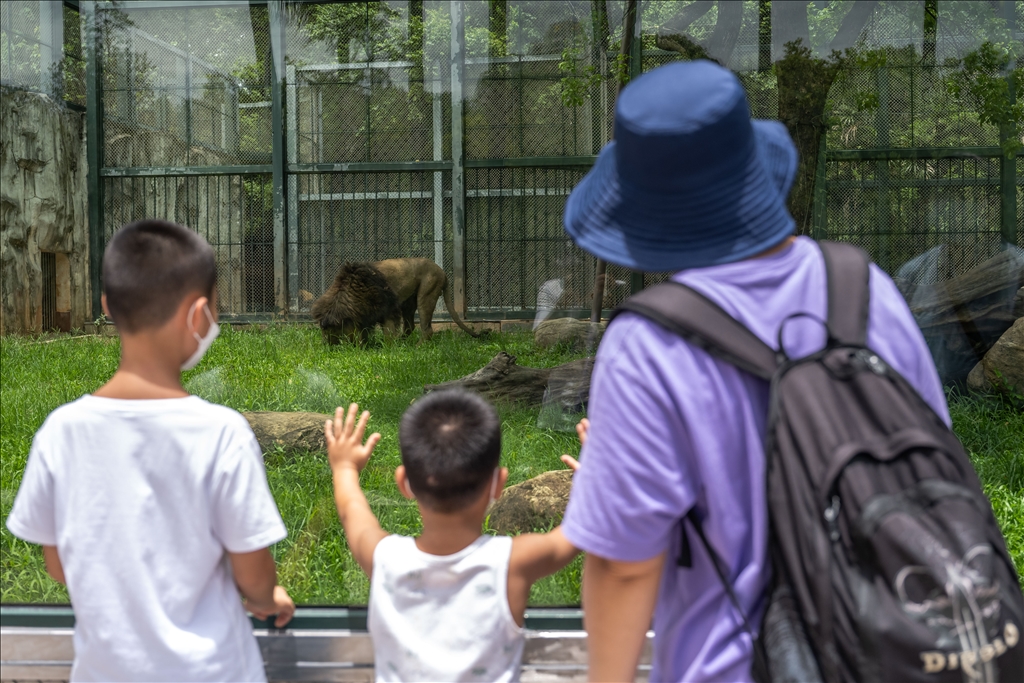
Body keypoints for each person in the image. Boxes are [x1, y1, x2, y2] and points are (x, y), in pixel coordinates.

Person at [559, 60, 949, 681]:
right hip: (899, 651)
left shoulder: (646, 344)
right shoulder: (866, 287)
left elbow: (625, 565)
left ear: (648, 213)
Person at [5, 219, 295, 681]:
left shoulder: (61, 431)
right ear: (199, 316)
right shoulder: (223, 433)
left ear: (107, 306)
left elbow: (58, 564)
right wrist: (265, 598)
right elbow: (254, 572)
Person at [324, 391, 582, 682]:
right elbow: (578, 531)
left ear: (403, 484)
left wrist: (344, 467)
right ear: (498, 485)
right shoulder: (514, 562)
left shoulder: (383, 558)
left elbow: (351, 511)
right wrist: (596, 481)